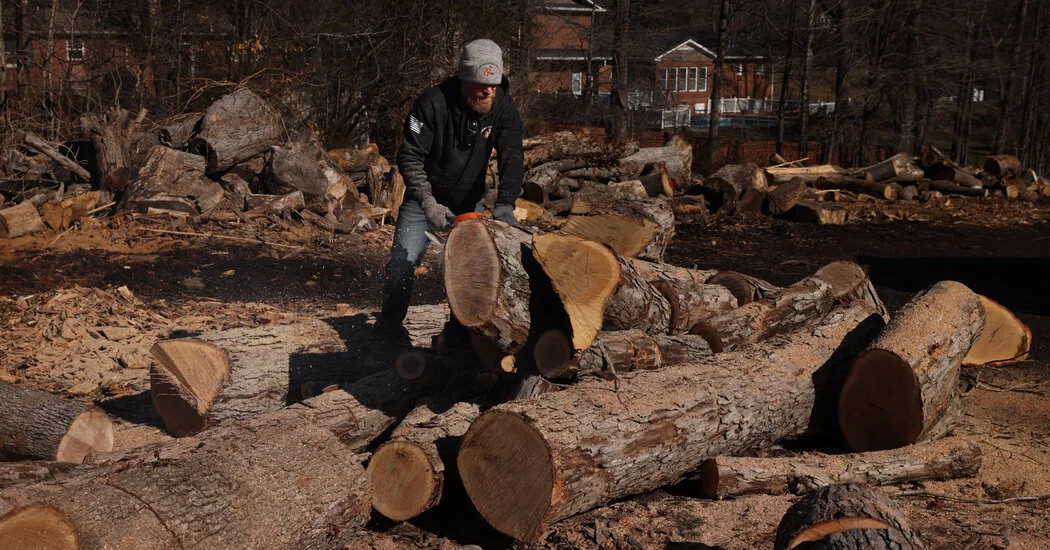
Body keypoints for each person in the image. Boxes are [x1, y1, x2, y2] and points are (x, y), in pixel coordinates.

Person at [374, 39, 524, 342]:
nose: (489, 91)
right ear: (464, 79)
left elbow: (513, 159)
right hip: (423, 199)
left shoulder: (503, 108)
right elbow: (410, 156)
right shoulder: (432, 103)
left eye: (494, 84)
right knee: (403, 264)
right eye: (482, 84)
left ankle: (461, 335)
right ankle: (388, 331)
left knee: (473, 272)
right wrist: (428, 203)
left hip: (469, 201)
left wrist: (506, 205)